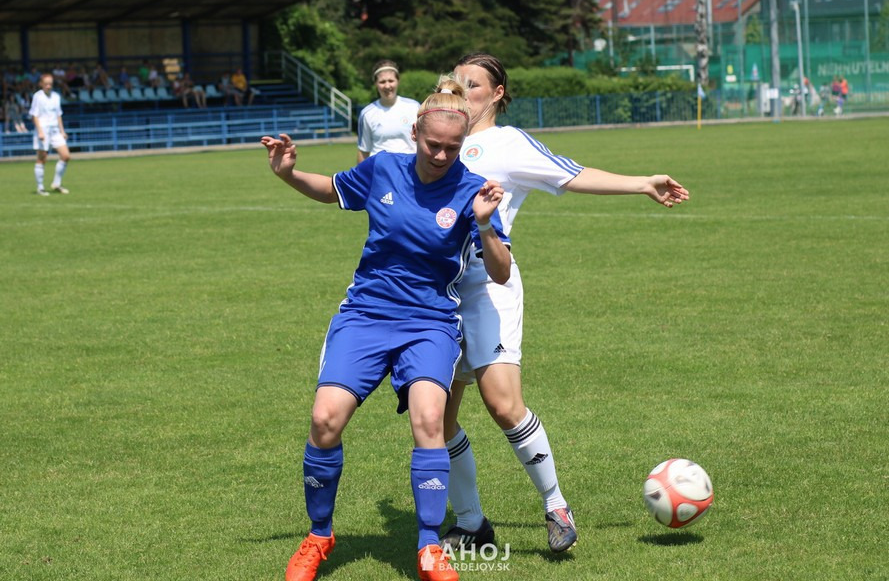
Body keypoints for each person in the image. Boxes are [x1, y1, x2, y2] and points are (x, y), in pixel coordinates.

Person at [261, 77, 512, 581]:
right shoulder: (382, 168)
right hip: (366, 315)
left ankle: (429, 547)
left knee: (429, 420)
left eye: (452, 147)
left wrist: (485, 223)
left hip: (429, 323)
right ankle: (319, 535)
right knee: (325, 420)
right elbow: (332, 190)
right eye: (433, 144)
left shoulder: (473, 190)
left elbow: (502, 272)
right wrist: (289, 174)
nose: (441, 155)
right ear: (415, 132)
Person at [439, 52, 690, 553]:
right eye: (456, 82)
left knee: (503, 405)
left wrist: (642, 183)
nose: (462, 91)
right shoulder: (437, 140)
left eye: (473, 84)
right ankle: (471, 523)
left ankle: (556, 506)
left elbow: (571, 174)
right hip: (436, 294)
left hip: (489, 288)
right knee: (436, 418)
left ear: (497, 94)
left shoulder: (507, 144)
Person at [356, 59, 420, 165]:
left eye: (391, 81)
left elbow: (423, 142)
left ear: (398, 81)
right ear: (376, 84)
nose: (387, 86)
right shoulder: (367, 113)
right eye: (382, 82)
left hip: (410, 170)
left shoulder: (414, 107)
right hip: (379, 172)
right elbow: (363, 151)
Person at [30, 73, 72, 196]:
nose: (48, 86)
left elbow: (58, 115)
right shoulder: (38, 96)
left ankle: (56, 183)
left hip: (55, 130)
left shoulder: (56, 96)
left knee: (65, 156)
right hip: (43, 129)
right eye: (46, 84)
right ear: (41, 84)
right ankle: (40, 187)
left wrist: (62, 131)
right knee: (42, 158)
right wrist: (40, 131)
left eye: (50, 84)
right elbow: (34, 115)